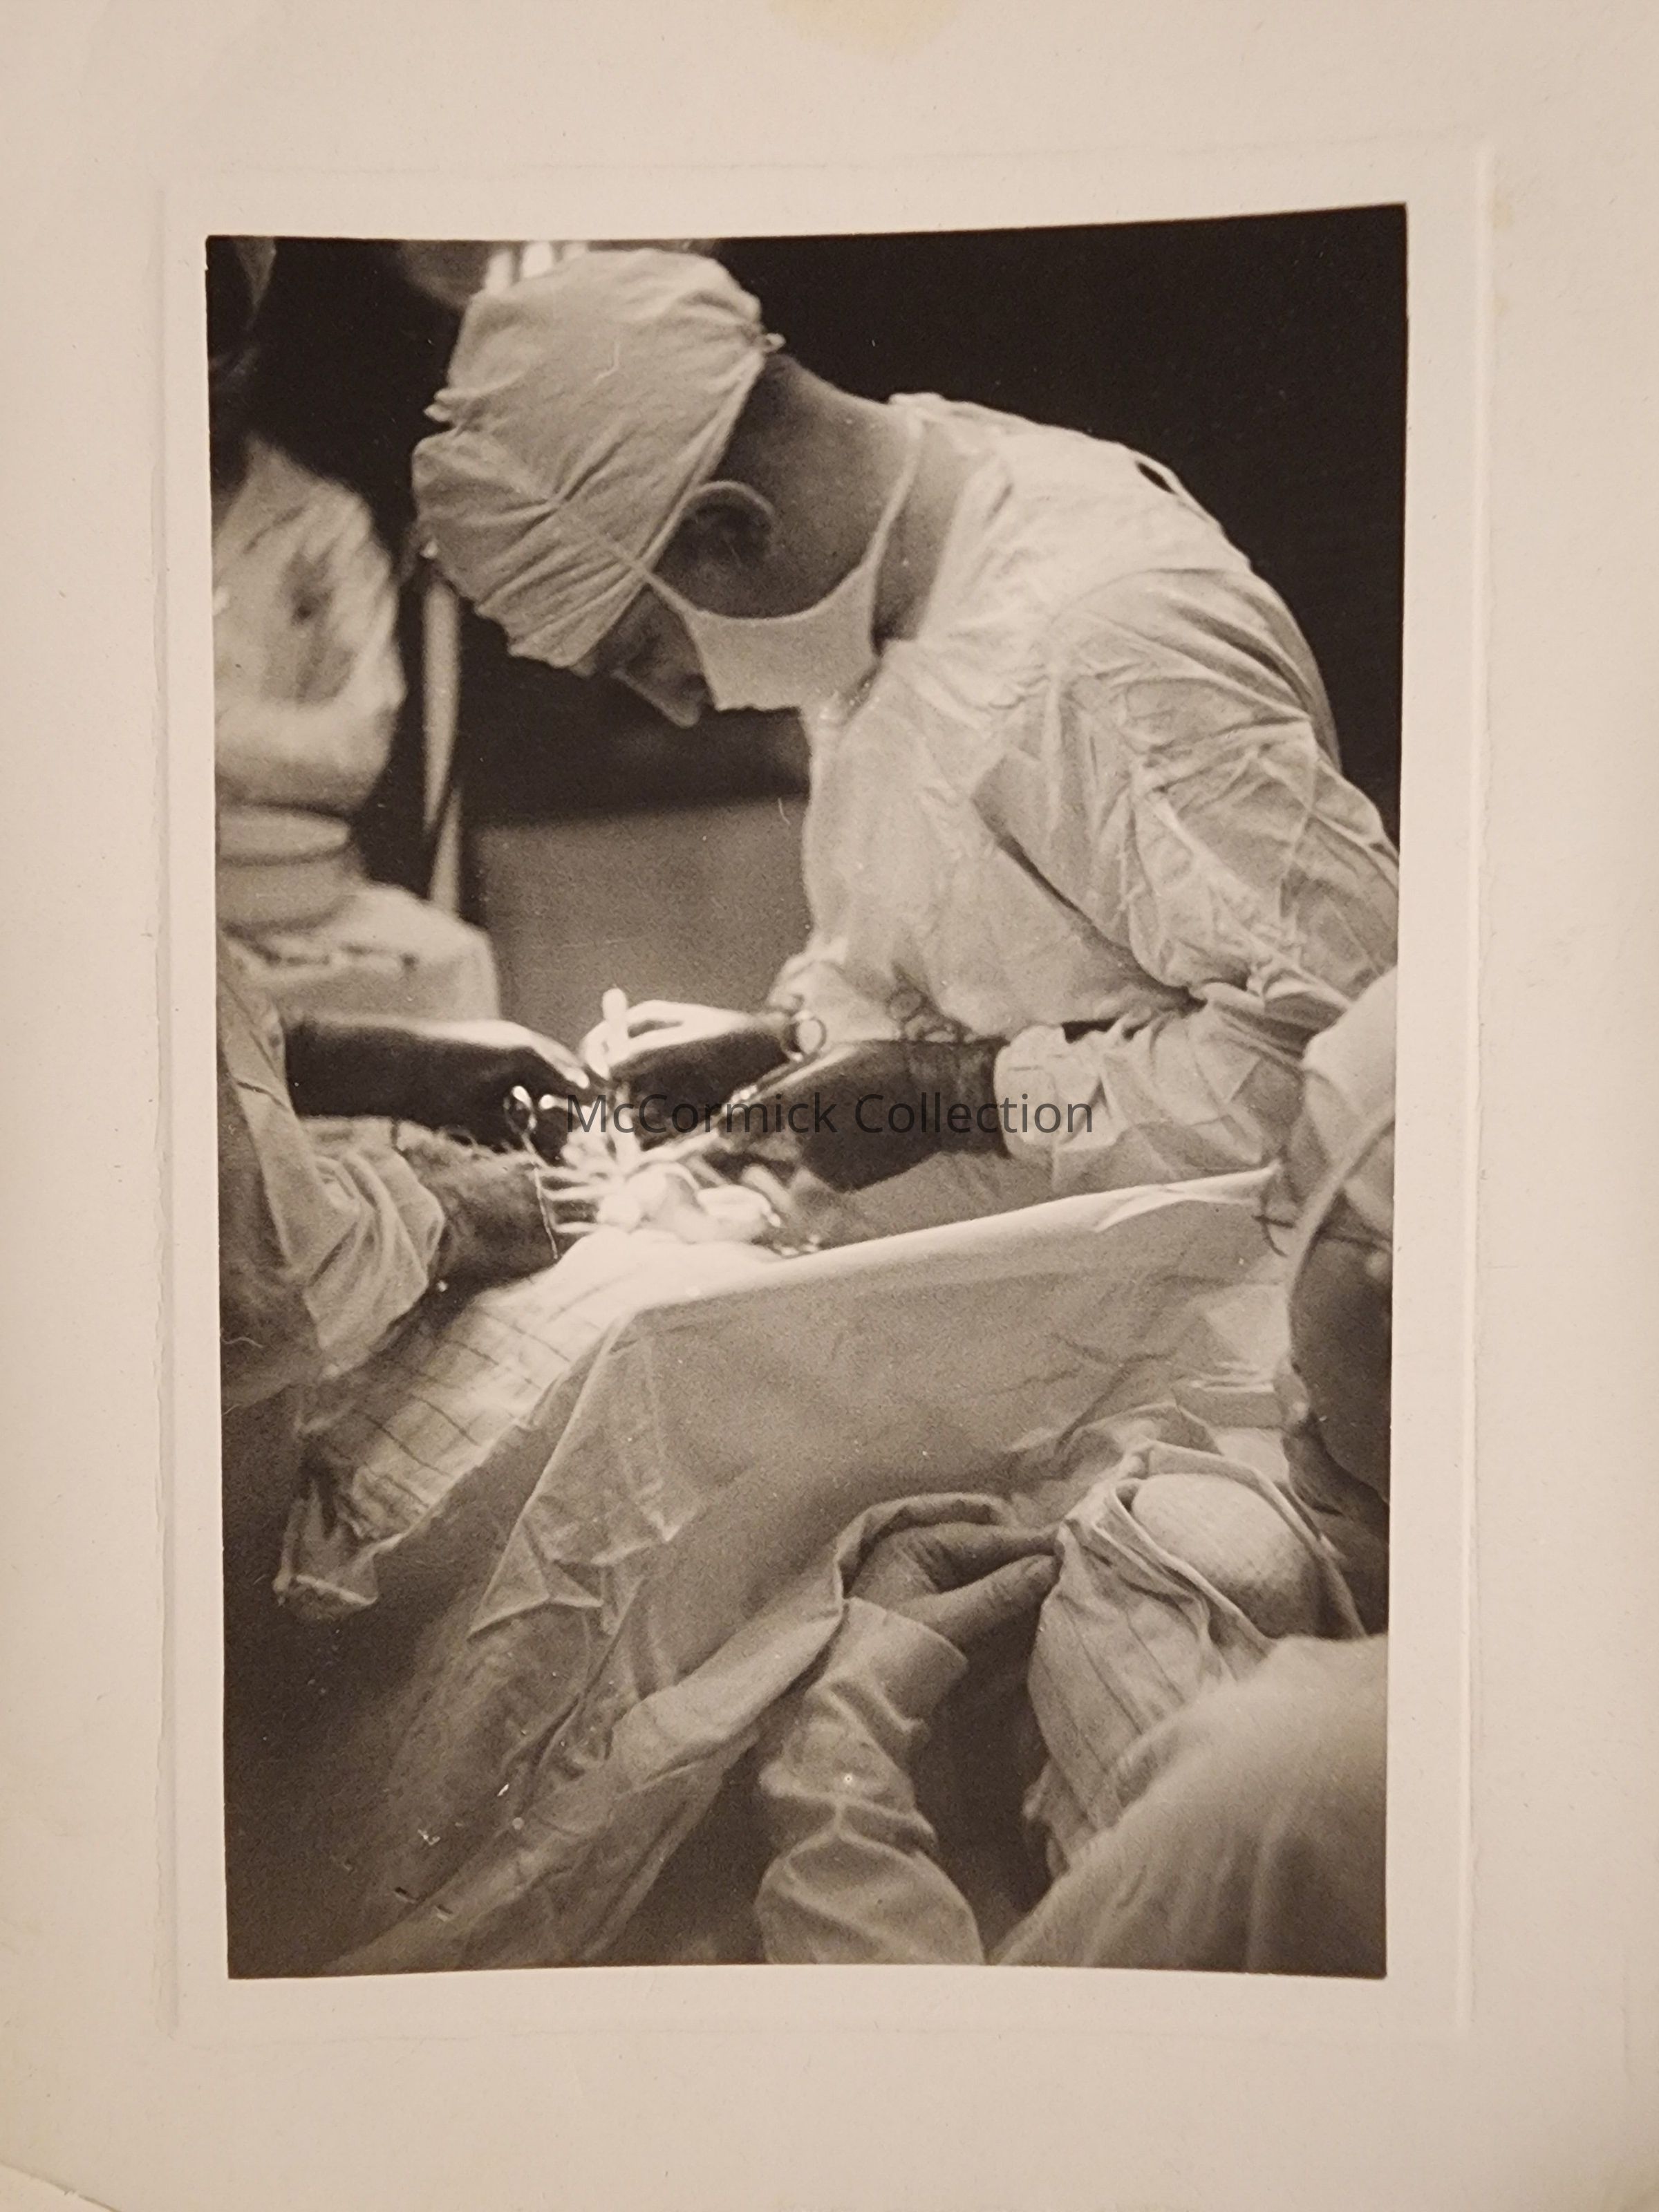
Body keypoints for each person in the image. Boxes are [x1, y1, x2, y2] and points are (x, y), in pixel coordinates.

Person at [413, 249, 1398, 1234]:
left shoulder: (1105, 643)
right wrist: (792, 1042)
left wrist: (959, 1098)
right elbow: (980, 928)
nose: (675, 709)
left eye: (645, 655)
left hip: (1188, 1293)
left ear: (730, 530)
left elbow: (1340, 1072)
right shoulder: (877, 561)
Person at [749, 970, 1397, 1971]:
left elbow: (947, 2057)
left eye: (1296, 1205)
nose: (1277, 1234)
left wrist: (840, 1743)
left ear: (1396, 1292)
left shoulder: (1295, 1776)